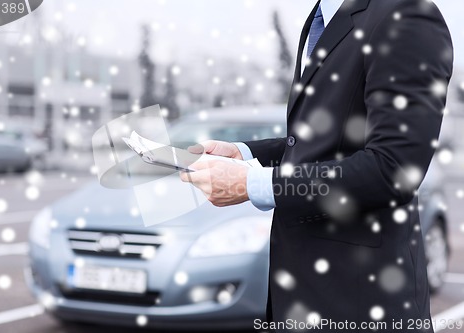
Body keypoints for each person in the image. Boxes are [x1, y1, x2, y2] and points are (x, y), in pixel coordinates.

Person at [180, 0, 453, 331]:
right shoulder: (323, 17)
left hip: (360, 302)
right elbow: (321, 145)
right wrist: (244, 153)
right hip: (305, 299)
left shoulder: (407, 13)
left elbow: (391, 169)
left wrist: (255, 184)